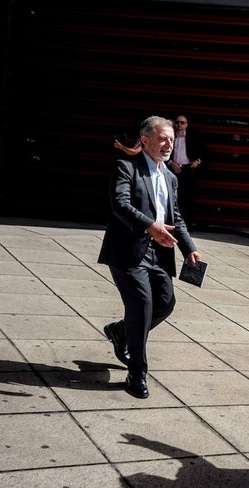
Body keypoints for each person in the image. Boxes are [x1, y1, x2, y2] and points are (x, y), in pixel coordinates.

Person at [98, 116, 202, 399]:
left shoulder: (170, 177)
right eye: (162, 138)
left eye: (170, 138)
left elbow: (175, 217)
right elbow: (120, 204)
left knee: (165, 303)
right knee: (142, 306)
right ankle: (136, 373)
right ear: (145, 140)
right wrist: (150, 226)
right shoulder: (126, 167)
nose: (168, 144)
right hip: (128, 251)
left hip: (160, 252)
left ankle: (121, 332)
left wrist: (188, 247)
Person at [166, 114, 204, 224]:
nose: (179, 125)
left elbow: (203, 153)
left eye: (182, 123)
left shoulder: (193, 137)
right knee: (172, 197)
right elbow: (161, 152)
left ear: (186, 125)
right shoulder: (170, 137)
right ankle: (171, 223)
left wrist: (197, 161)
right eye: (177, 122)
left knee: (186, 197)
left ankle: (186, 223)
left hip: (187, 170)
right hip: (172, 169)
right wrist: (170, 163)